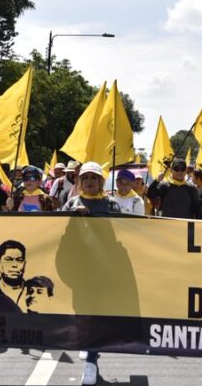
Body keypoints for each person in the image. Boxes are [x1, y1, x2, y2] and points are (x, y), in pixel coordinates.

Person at [61, 161, 121, 386]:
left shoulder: (112, 204)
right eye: (85, 178)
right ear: (79, 181)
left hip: (103, 267)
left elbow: (121, 232)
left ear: (101, 182)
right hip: (79, 268)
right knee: (81, 312)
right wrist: (72, 218)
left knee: (97, 313)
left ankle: (92, 360)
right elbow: (55, 230)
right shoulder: (71, 203)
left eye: (93, 178)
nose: (89, 182)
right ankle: (89, 345)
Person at [0, 240, 27, 307]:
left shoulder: (32, 292)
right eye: (9, 259)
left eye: (20, 260)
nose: (15, 265)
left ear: (24, 264)